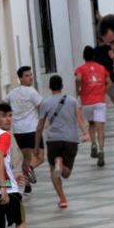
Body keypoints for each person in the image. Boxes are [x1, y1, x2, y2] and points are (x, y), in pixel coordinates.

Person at [36, 75, 89, 210]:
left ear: (50, 87)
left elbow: (40, 126)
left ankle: (63, 199)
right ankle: (61, 164)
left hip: (53, 140)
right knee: (66, 173)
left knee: (54, 171)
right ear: (62, 86)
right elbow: (80, 119)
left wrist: (36, 146)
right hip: (71, 140)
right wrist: (86, 133)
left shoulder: (46, 104)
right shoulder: (72, 101)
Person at [3, 66, 44, 192]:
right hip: (32, 129)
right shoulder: (32, 92)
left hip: (19, 131)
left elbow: (4, 103)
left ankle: (26, 185)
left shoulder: (13, 93)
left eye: (31, 75)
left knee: (26, 157)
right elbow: (42, 105)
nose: (30, 77)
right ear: (20, 78)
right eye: (27, 75)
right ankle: (30, 169)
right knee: (40, 158)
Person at [74, 47, 111, 165]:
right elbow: (109, 82)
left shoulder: (80, 69)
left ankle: (93, 144)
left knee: (91, 124)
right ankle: (101, 150)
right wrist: (104, 91)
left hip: (87, 102)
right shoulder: (101, 68)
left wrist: (78, 89)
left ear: (83, 56)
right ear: (94, 56)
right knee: (100, 127)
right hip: (100, 101)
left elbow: (78, 78)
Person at [92, 41, 114, 122]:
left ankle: (100, 119)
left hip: (99, 78)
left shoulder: (95, 50)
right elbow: (113, 56)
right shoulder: (109, 48)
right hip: (110, 76)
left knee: (99, 100)